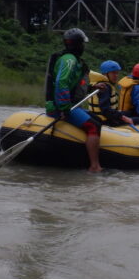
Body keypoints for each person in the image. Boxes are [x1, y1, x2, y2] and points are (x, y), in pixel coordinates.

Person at [44, 28, 103, 172]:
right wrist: (64, 108)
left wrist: (93, 87)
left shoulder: (71, 59)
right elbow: (61, 83)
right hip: (60, 107)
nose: (84, 46)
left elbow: (74, 86)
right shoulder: (69, 59)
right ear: (78, 44)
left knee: (97, 120)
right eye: (83, 43)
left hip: (68, 105)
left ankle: (86, 157)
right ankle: (94, 166)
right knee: (93, 127)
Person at [89, 60, 134, 127]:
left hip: (101, 117)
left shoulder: (98, 83)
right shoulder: (105, 87)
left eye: (117, 73)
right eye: (113, 73)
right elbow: (105, 110)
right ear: (105, 74)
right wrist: (123, 118)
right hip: (105, 121)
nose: (116, 76)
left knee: (132, 112)